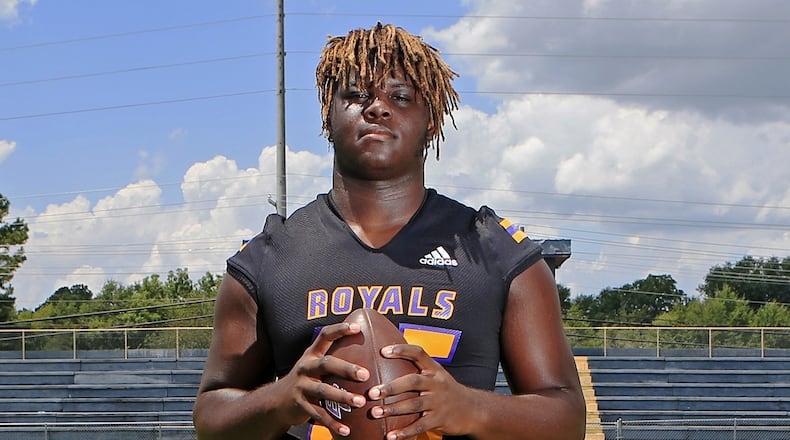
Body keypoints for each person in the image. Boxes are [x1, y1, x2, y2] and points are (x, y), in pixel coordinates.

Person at [192, 22, 586, 440]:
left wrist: (468, 408)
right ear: (328, 112)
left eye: (400, 97)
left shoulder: (496, 251)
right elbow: (210, 418)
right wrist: (281, 398)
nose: (377, 108)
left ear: (431, 122)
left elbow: (566, 418)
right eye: (357, 95)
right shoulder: (266, 258)